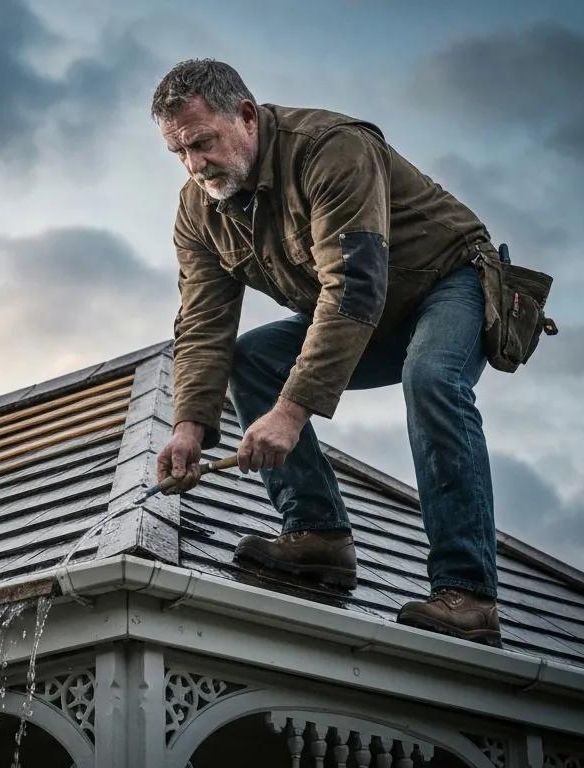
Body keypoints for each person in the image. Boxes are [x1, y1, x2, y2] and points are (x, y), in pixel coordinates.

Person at [151, 59, 502, 647]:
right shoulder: (197, 210)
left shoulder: (333, 149)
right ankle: (318, 537)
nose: (195, 166)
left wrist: (290, 413)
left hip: (447, 283)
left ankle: (468, 594)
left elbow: (354, 287)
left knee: (432, 378)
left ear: (245, 115)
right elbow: (204, 323)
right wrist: (189, 427)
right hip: (360, 313)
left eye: (203, 143)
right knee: (252, 358)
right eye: (179, 153)